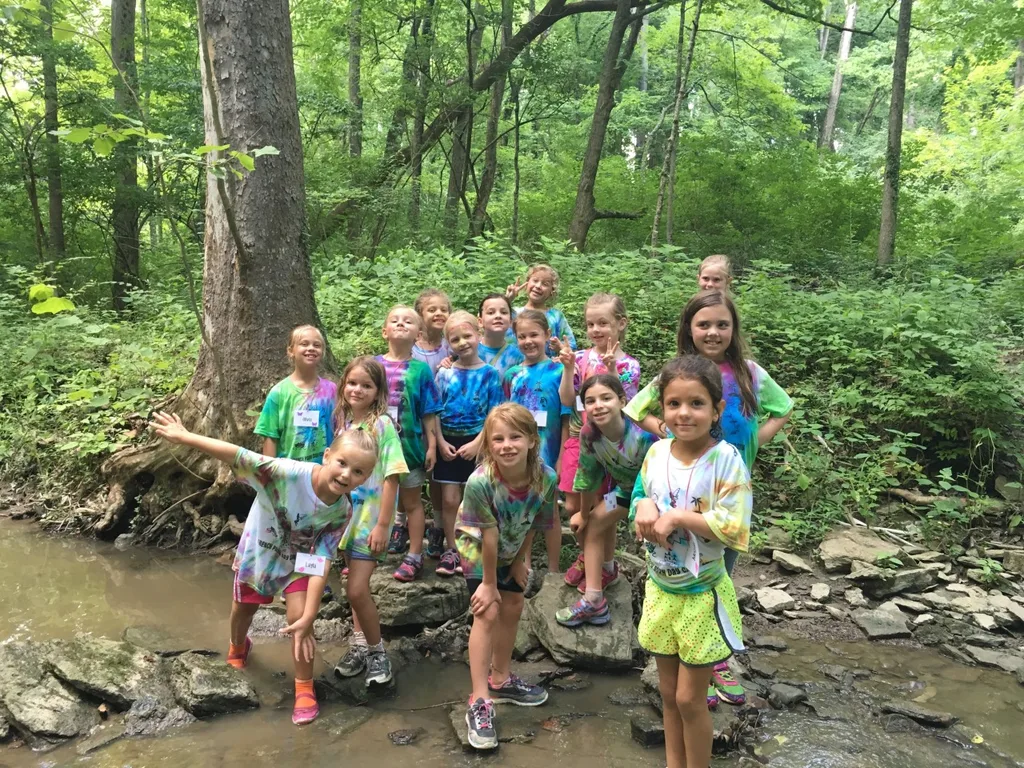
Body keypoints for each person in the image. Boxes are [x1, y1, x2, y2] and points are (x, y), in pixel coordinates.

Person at [148, 411, 378, 726]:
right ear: (327, 456)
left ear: (365, 478)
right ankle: (238, 645)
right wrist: (185, 436)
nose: (346, 475)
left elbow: (321, 560)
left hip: (299, 561)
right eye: (342, 463)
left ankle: (304, 687)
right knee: (243, 608)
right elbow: (238, 455)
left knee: (300, 620)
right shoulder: (286, 472)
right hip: (261, 551)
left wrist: (310, 613)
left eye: (358, 472)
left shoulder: (341, 511)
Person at [625, 290, 792, 706]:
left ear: (733, 329)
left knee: (720, 574)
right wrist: (666, 432)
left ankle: (712, 659)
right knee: (678, 568)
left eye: (722, 324)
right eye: (703, 324)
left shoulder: (749, 371)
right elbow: (635, 408)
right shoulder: (678, 373)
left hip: (726, 487)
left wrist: (757, 441)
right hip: (679, 479)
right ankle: (687, 656)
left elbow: (783, 407)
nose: (713, 332)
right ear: (689, 329)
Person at [631, 356, 752, 768]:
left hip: (702, 595)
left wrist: (680, 516)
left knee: (689, 698)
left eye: (697, 403)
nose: (685, 413)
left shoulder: (726, 460)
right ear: (662, 409)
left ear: (717, 409)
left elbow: (735, 527)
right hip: (661, 588)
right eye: (674, 403)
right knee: (668, 695)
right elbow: (639, 497)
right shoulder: (657, 453)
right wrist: (644, 504)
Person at [458, 403, 555, 750]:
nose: (506, 445)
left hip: (513, 542)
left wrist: (520, 560)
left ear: (531, 439)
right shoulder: (480, 482)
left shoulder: (546, 477)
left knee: (513, 604)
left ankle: (500, 678)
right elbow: (488, 536)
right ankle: (479, 700)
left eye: (515, 436)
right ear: (488, 444)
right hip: (476, 546)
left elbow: (534, 520)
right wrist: (488, 583)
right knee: (488, 611)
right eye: (497, 439)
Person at [554, 373, 656, 627]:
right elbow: (587, 477)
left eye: (606, 398)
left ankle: (596, 597)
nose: (598, 405)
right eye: (590, 401)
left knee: (599, 526)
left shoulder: (643, 433)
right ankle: (602, 582)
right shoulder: (589, 434)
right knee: (594, 523)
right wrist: (584, 513)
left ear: (622, 401)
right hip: (623, 492)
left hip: (655, 496)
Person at [332, 357, 409, 687]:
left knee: (357, 587)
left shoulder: (383, 426)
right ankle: (359, 643)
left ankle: (378, 653)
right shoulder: (343, 424)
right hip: (346, 518)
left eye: (366, 385)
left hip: (371, 519)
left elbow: (392, 476)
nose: (357, 389)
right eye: (352, 383)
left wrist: (383, 524)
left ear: (378, 391)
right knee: (352, 585)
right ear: (343, 386)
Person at [557, 294, 640, 588]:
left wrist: (612, 370)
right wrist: (568, 369)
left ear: (621, 323)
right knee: (574, 507)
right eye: (590, 323)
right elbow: (567, 400)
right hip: (580, 442)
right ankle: (586, 555)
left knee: (603, 510)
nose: (595, 329)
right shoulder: (579, 358)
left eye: (603, 323)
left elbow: (627, 407)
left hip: (611, 449)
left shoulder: (630, 365)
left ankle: (604, 564)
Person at [433, 310, 505, 578]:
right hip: (448, 442)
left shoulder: (489, 373)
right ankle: (451, 549)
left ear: (478, 334)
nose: (463, 343)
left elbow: (494, 413)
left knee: (477, 497)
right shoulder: (444, 374)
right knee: (450, 499)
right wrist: (439, 441)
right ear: (448, 344)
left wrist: (478, 443)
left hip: (479, 441)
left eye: (467, 336)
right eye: (455, 339)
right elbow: (435, 411)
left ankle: (474, 547)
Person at [375, 306, 442, 581]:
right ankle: (367, 549)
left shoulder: (421, 370)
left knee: (412, 501)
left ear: (418, 333)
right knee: (374, 499)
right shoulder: (374, 365)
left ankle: (415, 554)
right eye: (395, 320)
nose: (401, 324)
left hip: (410, 447)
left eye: (408, 322)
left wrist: (432, 445)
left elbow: (428, 411)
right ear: (385, 331)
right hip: (374, 449)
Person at [502, 309, 570, 573]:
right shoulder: (511, 375)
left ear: (547, 335)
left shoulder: (557, 371)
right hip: (518, 454)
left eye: (534, 335)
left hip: (549, 450)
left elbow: (566, 416)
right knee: (523, 511)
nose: (528, 341)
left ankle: (553, 568)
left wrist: (563, 455)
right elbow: (504, 416)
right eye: (522, 336)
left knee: (550, 511)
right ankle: (525, 566)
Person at [411, 288, 453, 559]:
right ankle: (402, 523)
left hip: (445, 423)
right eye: (432, 310)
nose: (439, 314)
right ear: (420, 316)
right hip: (414, 422)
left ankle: (438, 526)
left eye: (443, 309)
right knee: (412, 474)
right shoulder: (410, 348)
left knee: (438, 477)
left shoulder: (453, 345)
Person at [255, 325, 337, 464]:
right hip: (289, 473)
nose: (311, 348)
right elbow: (270, 436)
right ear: (291, 351)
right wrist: (270, 475)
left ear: (322, 351)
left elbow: (338, 430)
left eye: (316, 345)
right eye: (304, 344)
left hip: (323, 472)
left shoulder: (331, 390)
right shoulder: (279, 392)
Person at [505, 263, 577, 355]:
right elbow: (492, 329)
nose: (538, 286)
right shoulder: (514, 313)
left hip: (550, 367)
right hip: (518, 367)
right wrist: (507, 300)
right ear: (527, 283)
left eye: (545, 284)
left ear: (552, 291)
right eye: (535, 280)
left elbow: (571, 348)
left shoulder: (556, 316)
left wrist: (560, 348)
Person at [477, 293, 524, 378]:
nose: (498, 316)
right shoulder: (470, 351)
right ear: (480, 322)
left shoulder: (517, 357)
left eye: (504, 312)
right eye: (491, 312)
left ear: (510, 321)